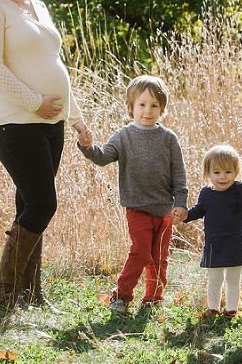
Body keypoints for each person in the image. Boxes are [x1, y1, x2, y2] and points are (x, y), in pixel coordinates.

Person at [0, 0, 92, 311]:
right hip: (14, 123)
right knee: (43, 204)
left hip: (50, 124)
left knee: (29, 203)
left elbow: (55, 66)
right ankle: (4, 296)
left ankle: (30, 294)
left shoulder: (37, 7)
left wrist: (75, 119)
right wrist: (34, 101)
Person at [79, 75, 188, 314]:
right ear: (131, 107)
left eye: (154, 105)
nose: (147, 111)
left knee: (159, 258)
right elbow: (103, 157)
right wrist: (88, 147)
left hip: (165, 211)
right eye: (142, 104)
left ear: (161, 109)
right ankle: (121, 297)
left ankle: (153, 299)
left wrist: (181, 202)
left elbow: (179, 175)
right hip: (137, 207)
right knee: (140, 252)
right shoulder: (123, 136)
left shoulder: (168, 139)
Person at [179, 145, 242, 318]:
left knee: (233, 280)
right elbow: (198, 211)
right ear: (208, 174)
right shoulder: (206, 193)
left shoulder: (240, 190)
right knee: (215, 280)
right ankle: (213, 309)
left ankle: (231, 310)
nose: (222, 177)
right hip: (214, 245)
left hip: (234, 243)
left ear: (236, 172)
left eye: (228, 171)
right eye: (217, 172)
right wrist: (184, 216)